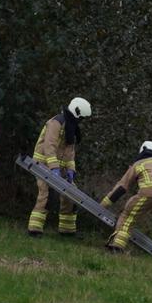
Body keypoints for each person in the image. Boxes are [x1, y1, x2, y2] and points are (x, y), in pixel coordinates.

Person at [102, 141, 152, 258]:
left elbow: (121, 187)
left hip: (148, 192)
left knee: (128, 217)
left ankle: (117, 247)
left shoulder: (138, 164)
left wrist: (104, 204)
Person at [27, 98, 92, 237]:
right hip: (43, 164)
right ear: (76, 113)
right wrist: (54, 168)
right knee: (46, 194)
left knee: (72, 195)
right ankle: (34, 229)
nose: (81, 122)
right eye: (81, 118)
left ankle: (67, 230)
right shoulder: (56, 122)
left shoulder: (71, 127)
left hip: (58, 168)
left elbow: (70, 152)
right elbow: (49, 146)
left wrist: (70, 170)